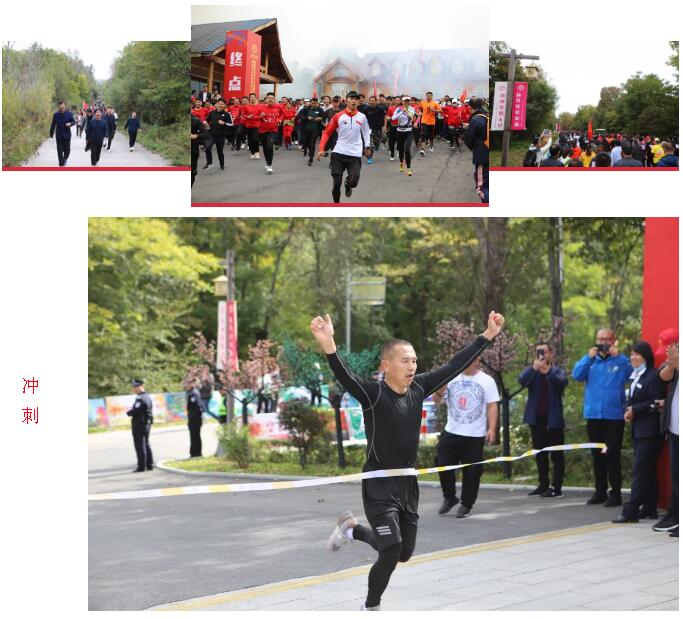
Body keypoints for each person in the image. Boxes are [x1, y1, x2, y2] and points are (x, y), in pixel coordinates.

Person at [313, 310, 505, 610]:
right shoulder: (373, 394)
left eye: (414, 361)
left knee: (403, 553)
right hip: (378, 484)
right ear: (386, 365)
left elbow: (454, 365)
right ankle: (370, 607)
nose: (412, 366)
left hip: (407, 483)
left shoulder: (419, 388)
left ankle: (352, 530)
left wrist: (488, 335)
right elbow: (345, 376)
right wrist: (329, 345)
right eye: (405, 360)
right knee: (391, 549)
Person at [432, 357, 500, 517]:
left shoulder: (487, 381)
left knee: (472, 472)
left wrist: (491, 428)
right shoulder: (451, 377)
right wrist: (440, 389)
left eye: (470, 359)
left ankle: (466, 504)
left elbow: (492, 405)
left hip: (474, 435)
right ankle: (449, 497)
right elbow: (436, 401)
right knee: (442, 464)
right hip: (451, 431)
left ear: (477, 361)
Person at [573, 328, 632, 506]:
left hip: (614, 416)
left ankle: (615, 493)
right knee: (597, 455)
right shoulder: (591, 361)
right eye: (600, 339)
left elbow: (631, 375)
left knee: (612, 455)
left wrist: (619, 356)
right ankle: (600, 491)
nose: (603, 343)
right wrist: (588, 357)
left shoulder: (620, 361)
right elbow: (577, 375)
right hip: (594, 415)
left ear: (613, 341)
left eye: (607, 340)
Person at [612, 342, 666, 523]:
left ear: (646, 357)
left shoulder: (653, 376)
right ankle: (650, 507)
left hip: (650, 432)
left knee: (639, 471)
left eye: (637, 355)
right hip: (639, 430)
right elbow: (635, 400)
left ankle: (631, 511)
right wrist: (629, 410)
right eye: (632, 354)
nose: (633, 358)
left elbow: (657, 402)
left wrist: (635, 410)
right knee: (648, 470)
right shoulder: (635, 376)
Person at [519, 342, 569, 497]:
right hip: (536, 419)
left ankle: (556, 487)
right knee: (540, 453)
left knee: (556, 455)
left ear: (550, 354)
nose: (542, 355)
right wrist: (534, 368)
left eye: (545, 352)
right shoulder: (532, 371)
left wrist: (548, 372)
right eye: (539, 352)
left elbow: (562, 383)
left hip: (553, 419)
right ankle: (543, 484)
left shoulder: (557, 371)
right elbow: (522, 381)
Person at [317, 91, 371, 203]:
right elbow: (327, 132)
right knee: (336, 183)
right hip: (339, 152)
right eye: (351, 99)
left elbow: (366, 132)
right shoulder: (338, 116)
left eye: (356, 99)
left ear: (359, 102)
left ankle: (348, 184)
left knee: (353, 182)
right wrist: (322, 149)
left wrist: (367, 145)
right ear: (346, 101)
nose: (354, 101)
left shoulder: (362, 117)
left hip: (355, 154)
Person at [654, 342, 679, 536]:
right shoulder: (677, 352)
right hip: (675, 429)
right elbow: (662, 377)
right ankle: (676, 516)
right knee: (677, 476)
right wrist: (672, 365)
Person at [463, 97, 489, 203]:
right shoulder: (487, 116)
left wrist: (468, 129)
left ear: (470, 107)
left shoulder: (475, 119)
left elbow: (468, 140)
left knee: (481, 188)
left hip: (482, 157)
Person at [126, 379, 154, 472]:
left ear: (140, 387)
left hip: (140, 424)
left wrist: (129, 412)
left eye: (135, 387)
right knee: (146, 444)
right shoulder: (147, 396)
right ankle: (149, 464)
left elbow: (137, 410)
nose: (134, 389)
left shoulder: (141, 398)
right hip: (146, 423)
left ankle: (142, 466)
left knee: (140, 445)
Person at [203, 98, 233, 171]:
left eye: (222, 104)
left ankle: (222, 165)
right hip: (212, 134)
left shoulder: (227, 114)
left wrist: (224, 123)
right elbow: (206, 121)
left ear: (225, 105)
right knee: (207, 147)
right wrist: (205, 123)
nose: (220, 105)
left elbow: (231, 124)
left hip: (221, 136)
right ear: (217, 104)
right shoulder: (212, 112)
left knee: (220, 152)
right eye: (219, 104)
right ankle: (209, 162)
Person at [258, 92, 284, 174]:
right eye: (269, 98)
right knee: (265, 148)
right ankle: (267, 161)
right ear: (266, 99)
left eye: (272, 98)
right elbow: (255, 117)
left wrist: (280, 119)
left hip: (273, 130)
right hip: (262, 130)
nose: (270, 99)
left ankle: (269, 165)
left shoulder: (278, 107)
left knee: (269, 146)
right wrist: (260, 116)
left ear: (274, 99)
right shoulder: (261, 107)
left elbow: (282, 113)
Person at [392, 97, 416, 176]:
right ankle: (401, 162)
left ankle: (409, 168)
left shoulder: (412, 109)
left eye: (408, 101)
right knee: (401, 150)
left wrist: (406, 111)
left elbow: (412, 117)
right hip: (399, 131)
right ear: (402, 102)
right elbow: (393, 118)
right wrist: (402, 111)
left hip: (409, 131)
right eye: (405, 101)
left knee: (407, 149)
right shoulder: (398, 109)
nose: (406, 103)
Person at [49, 101, 76, 166]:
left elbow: (74, 122)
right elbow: (53, 124)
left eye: (63, 106)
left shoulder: (69, 114)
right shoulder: (56, 114)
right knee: (59, 150)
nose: (62, 107)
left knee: (67, 151)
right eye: (61, 107)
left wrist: (70, 124)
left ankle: (65, 159)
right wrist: (51, 133)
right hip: (59, 135)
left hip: (67, 135)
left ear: (65, 106)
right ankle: (61, 164)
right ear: (59, 107)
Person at [302, 98, 326, 166]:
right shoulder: (306, 109)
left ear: (317, 103)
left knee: (312, 144)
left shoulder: (320, 110)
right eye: (313, 103)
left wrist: (321, 118)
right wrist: (307, 118)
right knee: (306, 142)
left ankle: (311, 158)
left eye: (315, 103)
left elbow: (324, 116)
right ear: (310, 103)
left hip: (316, 130)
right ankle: (306, 149)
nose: (314, 104)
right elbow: (300, 116)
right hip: (306, 129)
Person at [417, 91, 442, 156]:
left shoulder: (434, 103)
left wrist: (435, 110)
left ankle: (431, 145)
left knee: (430, 135)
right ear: (426, 96)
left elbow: (441, 110)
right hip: (424, 121)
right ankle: (422, 150)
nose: (428, 97)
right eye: (427, 96)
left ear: (432, 96)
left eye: (430, 96)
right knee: (423, 134)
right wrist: (420, 112)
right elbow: (419, 108)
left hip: (431, 122)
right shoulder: (423, 102)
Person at [363, 96, 387, 164]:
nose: (371, 102)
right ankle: (369, 158)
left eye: (373, 100)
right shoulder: (366, 109)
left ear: (376, 101)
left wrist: (384, 126)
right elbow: (363, 118)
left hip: (378, 128)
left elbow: (385, 117)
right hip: (369, 129)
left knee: (376, 143)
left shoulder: (380, 109)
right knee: (370, 144)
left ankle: (376, 145)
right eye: (370, 100)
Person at [186, 380, 205, 457]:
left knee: (194, 436)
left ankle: (195, 453)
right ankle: (197, 452)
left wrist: (191, 419)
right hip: (196, 418)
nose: (187, 386)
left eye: (188, 384)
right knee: (196, 436)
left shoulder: (193, 393)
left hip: (195, 419)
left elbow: (196, 407)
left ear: (191, 384)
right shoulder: (194, 392)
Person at [385, 96, 402, 161]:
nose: (397, 101)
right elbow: (387, 117)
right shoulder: (391, 109)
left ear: (400, 101)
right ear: (394, 101)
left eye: (398, 100)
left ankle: (398, 150)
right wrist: (390, 119)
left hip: (400, 127)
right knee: (391, 141)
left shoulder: (402, 108)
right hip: (393, 127)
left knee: (400, 141)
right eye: (396, 100)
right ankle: (392, 155)